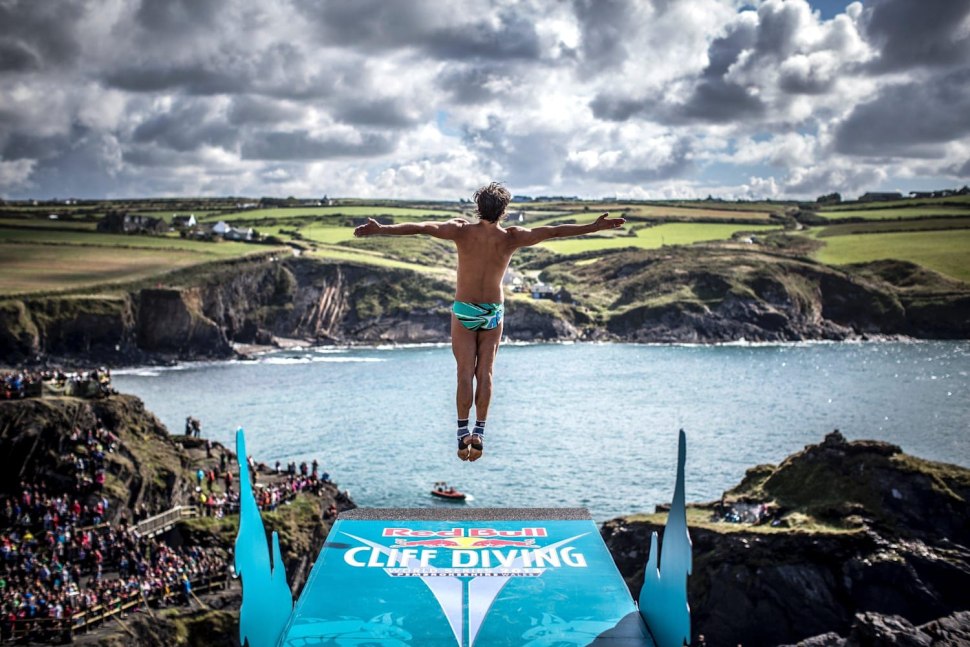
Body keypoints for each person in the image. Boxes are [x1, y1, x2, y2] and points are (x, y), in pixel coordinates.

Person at [354, 182, 624, 461]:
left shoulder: (460, 230)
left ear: (477, 206)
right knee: (486, 372)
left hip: (465, 310)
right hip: (493, 311)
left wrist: (381, 229)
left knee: (463, 373)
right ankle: (479, 432)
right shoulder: (511, 237)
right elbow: (554, 231)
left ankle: (462, 434)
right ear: (504, 210)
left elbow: (423, 227)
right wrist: (594, 227)